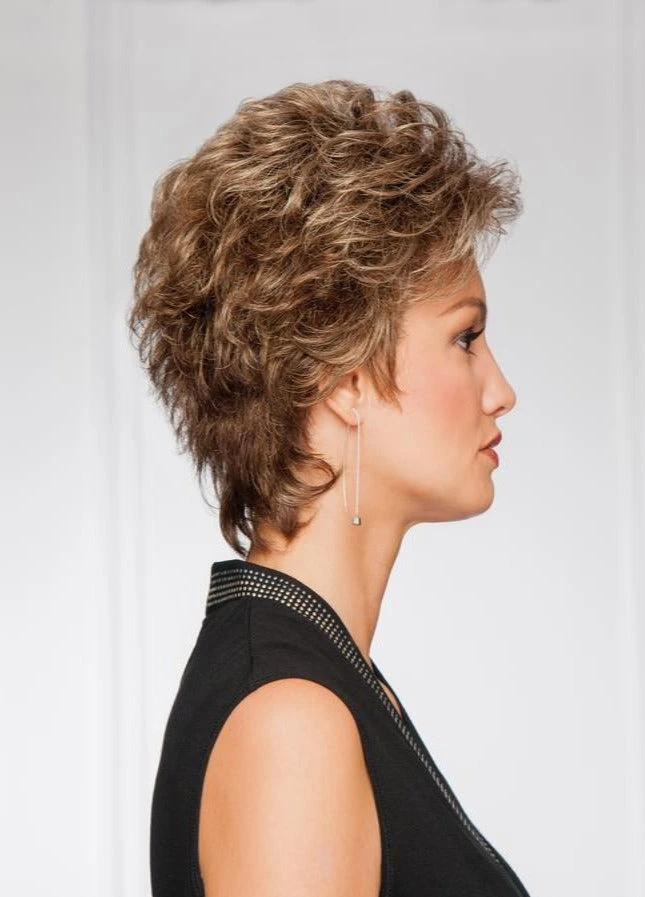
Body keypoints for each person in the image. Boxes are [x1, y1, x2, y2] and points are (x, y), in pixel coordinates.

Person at [127, 78, 526, 897]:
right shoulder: (292, 722)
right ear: (344, 379)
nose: (501, 390)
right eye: (466, 337)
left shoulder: (323, 680)